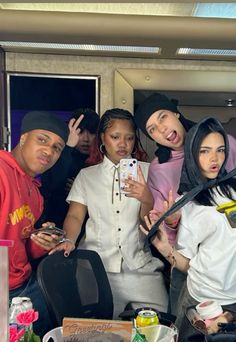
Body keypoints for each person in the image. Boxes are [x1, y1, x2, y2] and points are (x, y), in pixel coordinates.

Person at [50, 108, 168, 318]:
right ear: (103, 138)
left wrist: (146, 198)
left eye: (129, 138)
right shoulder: (87, 176)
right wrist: (68, 239)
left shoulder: (150, 172)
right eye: (115, 137)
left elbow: (149, 223)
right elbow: (75, 216)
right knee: (100, 336)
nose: (123, 144)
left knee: (161, 326)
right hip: (95, 269)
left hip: (141, 266)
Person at [134, 93, 236, 315]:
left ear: (176, 113)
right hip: (190, 263)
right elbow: (165, 224)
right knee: (186, 330)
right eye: (152, 129)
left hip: (228, 267)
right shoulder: (159, 169)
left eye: (163, 117)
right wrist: (171, 223)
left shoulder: (226, 143)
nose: (161, 129)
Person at [1, 110, 69, 337]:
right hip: (3, 289)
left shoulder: (35, 194)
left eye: (57, 147)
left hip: (24, 285)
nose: (49, 151)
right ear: (22, 138)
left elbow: (22, 247)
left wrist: (42, 240)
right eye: (42, 139)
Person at [39, 108, 100, 229]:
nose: (86, 139)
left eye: (92, 132)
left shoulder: (102, 160)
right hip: (58, 225)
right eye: (80, 132)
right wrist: (69, 146)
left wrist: (80, 191)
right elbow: (50, 186)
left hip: (93, 229)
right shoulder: (60, 155)